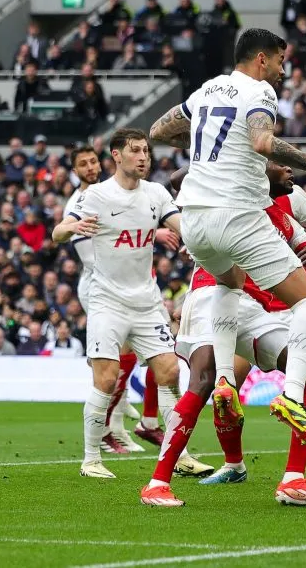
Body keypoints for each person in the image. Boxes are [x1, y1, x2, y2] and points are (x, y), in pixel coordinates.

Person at [147, 28, 306, 451]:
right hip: (235, 214)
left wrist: (209, 143)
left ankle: (225, 379)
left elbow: (157, 130)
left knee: (229, 283)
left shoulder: (207, 91)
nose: (282, 72)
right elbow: (262, 141)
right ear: (262, 59)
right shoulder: (259, 92)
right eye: (281, 61)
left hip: (193, 220)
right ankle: (293, 395)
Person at [142, 162, 306, 507]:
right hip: (211, 294)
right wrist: (225, 157)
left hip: (255, 310)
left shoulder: (283, 217)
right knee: (204, 379)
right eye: (282, 167)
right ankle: (158, 483)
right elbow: (177, 179)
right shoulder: (228, 192)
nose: (291, 173)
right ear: (258, 170)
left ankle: (294, 479)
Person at [52, 128, 204, 479]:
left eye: (146, 151)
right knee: (106, 379)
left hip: (147, 302)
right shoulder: (97, 196)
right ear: (116, 156)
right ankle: (91, 459)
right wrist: (72, 229)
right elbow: (59, 231)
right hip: (107, 302)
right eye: (135, 150)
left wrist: (197, 232)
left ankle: (177, 453)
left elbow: (178, 223)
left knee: (170, 371)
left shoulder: (156, 192)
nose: (143, 157)